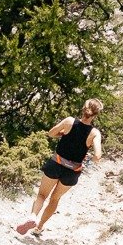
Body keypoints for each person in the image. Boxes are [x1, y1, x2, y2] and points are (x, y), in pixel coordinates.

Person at [15, 98, 103, 236]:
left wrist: (61, 134)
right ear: (95, 115)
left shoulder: (69, 121)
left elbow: (50, 133)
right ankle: (39, 227)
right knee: (55, 199)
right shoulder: (95, 133)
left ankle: (32, 217)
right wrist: (89, 157)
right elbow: (98, 156)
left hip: (55, 164)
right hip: (72, 172)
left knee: (42, 195)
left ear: (83, 109)